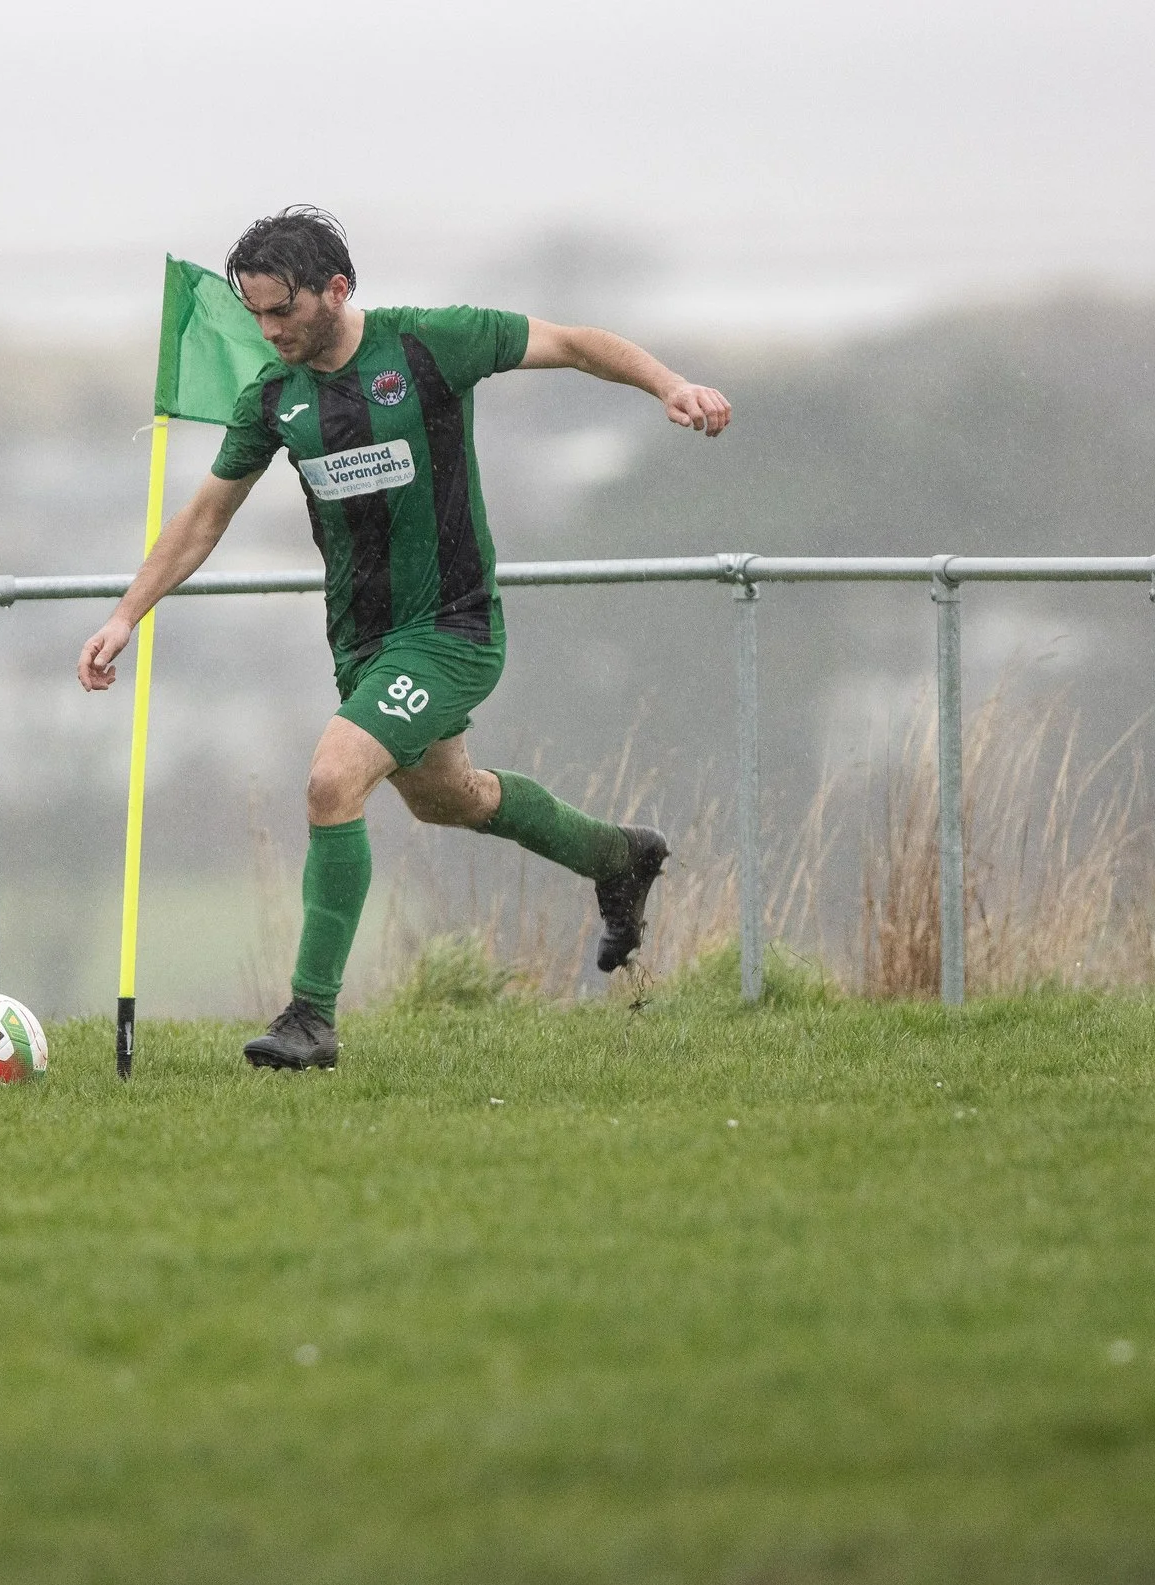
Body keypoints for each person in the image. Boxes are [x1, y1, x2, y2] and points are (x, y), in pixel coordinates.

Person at [76, 206, 732, 1069]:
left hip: (452, 629)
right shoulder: (273, 397)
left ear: (336, 290)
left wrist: (669, 386)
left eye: (282, 312)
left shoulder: (428, 344)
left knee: (330, 782)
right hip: (362, 645)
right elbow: (204, 518)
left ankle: (310, 1018)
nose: (268, 331)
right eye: (256, 315)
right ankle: (617, 858)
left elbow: (572, 342)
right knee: (445, 797)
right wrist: (127, 614)